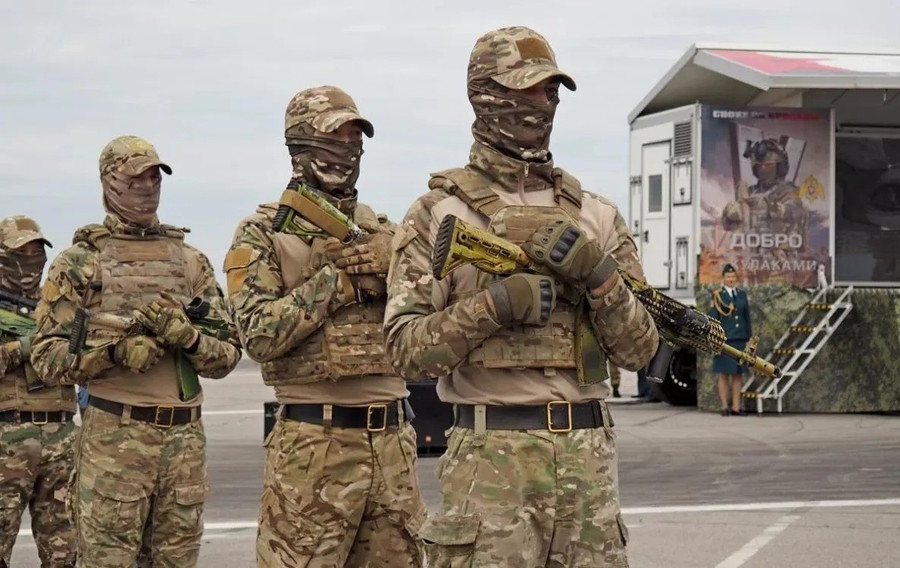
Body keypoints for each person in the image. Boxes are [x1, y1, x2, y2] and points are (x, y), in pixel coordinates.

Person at [383, 26, 659, 567]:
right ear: (484, 95)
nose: (542, 102)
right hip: (491, 465)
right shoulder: (438, 214)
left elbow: (639, 351)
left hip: (588, 465)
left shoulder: (597, 216)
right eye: (525, 88)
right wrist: (493, 307)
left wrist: (600, 276)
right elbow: (405, 351)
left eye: (550, 90)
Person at [224, 86, 426, 567]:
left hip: (393, 444)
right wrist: (337, 284)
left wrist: (399, 270)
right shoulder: (263, 233)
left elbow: (428, 324)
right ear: (299, 147)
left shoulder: (386, 233)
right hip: (314, 445)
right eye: (333, 139)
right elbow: (257, 334)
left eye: (355, 140)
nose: (347, 151)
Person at [30, 136, 242, 567]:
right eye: (135, 178)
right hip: (115, 441)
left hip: (183, 443)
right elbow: (47, 358)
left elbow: (228, 354)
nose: (147, 187)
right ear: (108, 181)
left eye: (154, 177)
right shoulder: (79, 263)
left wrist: (189, 339)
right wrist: (114, 353)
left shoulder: (191, 262)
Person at [0, 216, 77, 568]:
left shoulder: (57, 305)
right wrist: (24, 348)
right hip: (8, 436)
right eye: (22, 252)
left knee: (65, 551)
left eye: (36, 252)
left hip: (61, 435)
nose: (31, 259)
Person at [708, 263, 752, 416]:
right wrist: (715, 340)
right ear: (723, 278)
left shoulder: (741, 294)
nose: (731, 279)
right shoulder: (718, 295)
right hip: (725, 340)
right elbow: (713, 319)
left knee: (738, 374)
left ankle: (736, 407)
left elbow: (746, 317)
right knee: (724, 374)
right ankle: (724, 407)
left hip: (740, 338)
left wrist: (749, 338)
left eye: (733, 276)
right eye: (728, 277)